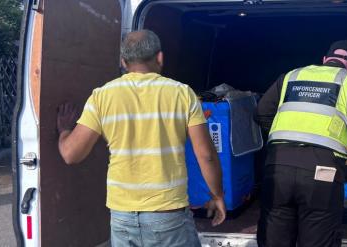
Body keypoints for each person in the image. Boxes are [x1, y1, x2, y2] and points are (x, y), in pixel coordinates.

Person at [56, 30, 226, 247]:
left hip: (122, 217)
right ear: (160, 58)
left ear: (123, 61)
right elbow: (206, 155)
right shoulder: (182, 94)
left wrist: (64, 131)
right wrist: (217, 195)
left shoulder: (101, 96)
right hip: (168, 215)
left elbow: (71, 154)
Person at [254, 40, 347, 247]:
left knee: (273, 235)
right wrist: (340, 136)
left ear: (325, 59)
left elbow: (261, 113)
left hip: (278, 167)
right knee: (318, 233)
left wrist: (289, 134)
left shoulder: (292, 76)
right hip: (322, 171)